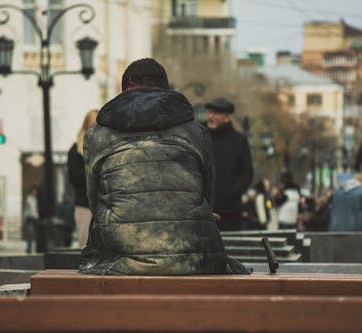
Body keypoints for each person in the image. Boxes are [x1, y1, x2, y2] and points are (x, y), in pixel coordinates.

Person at [79, 58, 244, 275]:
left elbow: (94, 199)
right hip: (192, 261)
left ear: (125, 88)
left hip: (120, 261)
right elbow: (206, 195)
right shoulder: (196, 132)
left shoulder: (96, 135)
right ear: (165, 89)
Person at [205, 97, 253, 231]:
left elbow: (247, 173)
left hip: (229, 211)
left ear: (227, 117)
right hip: (200, 209)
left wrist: (231, 193)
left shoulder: (239, 141)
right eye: (209, 112)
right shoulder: (199, 135)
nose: (211, 116)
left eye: (216, 113)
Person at [67, 109, 98, 248]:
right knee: (85, 245)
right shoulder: (76, 150)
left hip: (106, 206)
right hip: (85, 205)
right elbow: (74, 178)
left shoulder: (105, 147)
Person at [23, 186, 39, 254]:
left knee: (33, 234)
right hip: (30, 218)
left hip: (35, 218)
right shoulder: (29, 199)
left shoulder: (36, 199)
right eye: (33, 191)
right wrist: (25, 218)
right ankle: (29, 248)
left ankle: (32, 248)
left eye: (35, 191)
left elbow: (35, 209)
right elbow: (28, 209)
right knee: (30, 233)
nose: (35, 192)